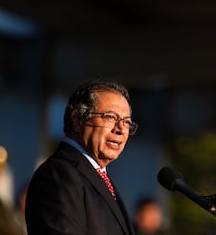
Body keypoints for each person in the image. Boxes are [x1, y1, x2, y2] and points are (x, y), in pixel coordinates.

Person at [25, 79, 139, 235]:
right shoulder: (58, 175)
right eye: (110, 117)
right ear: (78, 121)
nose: (120, 129)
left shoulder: (98, 176)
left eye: (126, 122)